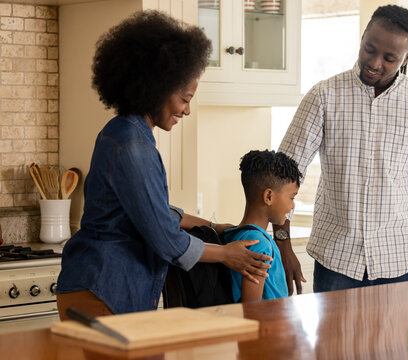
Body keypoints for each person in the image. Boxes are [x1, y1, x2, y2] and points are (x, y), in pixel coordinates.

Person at [55, 10, 272, 319]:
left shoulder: (128, 134)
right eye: (184, 99)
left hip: (104, 286)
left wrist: (211, 227)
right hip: (101, 287)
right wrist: (226, 254)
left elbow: (153, 210)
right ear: (155, 88)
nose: (186, 110)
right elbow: (165, 238)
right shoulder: (133, 146)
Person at [272, 5, 408, 294]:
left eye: (389, 58)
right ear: (362, 38)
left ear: (406, 57)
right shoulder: (323, 96)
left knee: (399, 343)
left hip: (402, 262)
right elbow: (283, 175)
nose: (374, 63)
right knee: (336, 341)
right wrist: (283, 247)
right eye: (369, 49)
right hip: (337, 260)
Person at [224, 150, 303, 302]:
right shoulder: (259, 245)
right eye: (291, 198)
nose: (292, 206)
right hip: (268, 325)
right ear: (269, 196)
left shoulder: (235, 234)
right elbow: (252, 310)